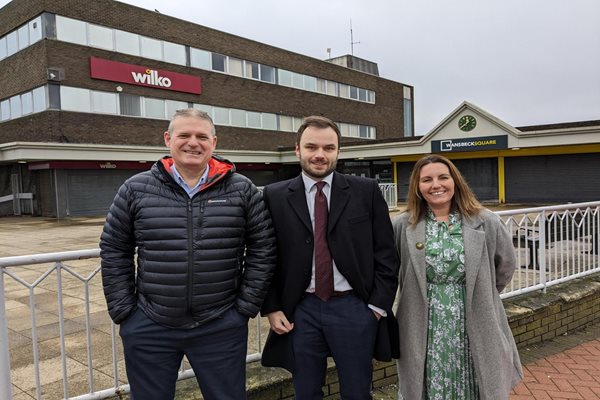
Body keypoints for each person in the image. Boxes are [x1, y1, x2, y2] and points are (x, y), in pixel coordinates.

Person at [100, 108, 276, 400]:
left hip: (220, 324)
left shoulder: (242, 189)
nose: (193, 142)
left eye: (201, 136)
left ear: (214, 142)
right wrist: (124, 311)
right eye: (184, 135)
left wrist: (244, 308)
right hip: (149, 325)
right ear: (168, 139)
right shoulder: (135, 188)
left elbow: (263, 247)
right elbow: (114, 248)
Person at [260, 115, 399, 400]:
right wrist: (272, 307)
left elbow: (386, 253)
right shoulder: (273, 196)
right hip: (300, 311)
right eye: (311, 147)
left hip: (354, 308)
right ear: (297, 149)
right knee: (306, 392)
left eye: (328, 148)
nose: (320, 155)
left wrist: (376, 307)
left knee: (357, 392)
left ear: (338, 151)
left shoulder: (366, 191)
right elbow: (265, 257)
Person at [392, 154, 523, 399]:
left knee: (477, 376)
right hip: (423, 320)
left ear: (455, 181)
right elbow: (391, 269)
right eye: (427, 180)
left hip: (472, 313)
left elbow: (505, 266)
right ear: (418, 187)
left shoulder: (486, 221)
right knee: (424, 378)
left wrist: (481, 290)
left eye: (443, 177)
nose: (436, 185)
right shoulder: (403, 225)